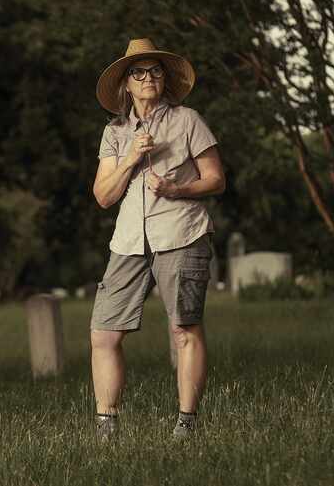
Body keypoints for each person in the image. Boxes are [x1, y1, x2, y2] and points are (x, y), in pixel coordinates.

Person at [91, 38, 226, 439]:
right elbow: (103, 196)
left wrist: (176, 188)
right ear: (126, 84)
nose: (149, 78)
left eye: (155, 71)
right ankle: (106, 426)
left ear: (164, 79)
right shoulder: (115, 131)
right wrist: (131, 157)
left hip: (182, 233)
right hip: (129, 241)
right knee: (104, 333)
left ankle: (186, 424)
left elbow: (216, 179)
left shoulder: (188, 120)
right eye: (139, 72)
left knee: (185, 328)